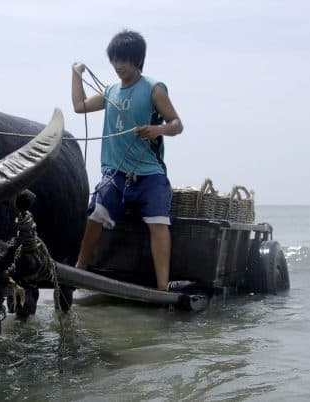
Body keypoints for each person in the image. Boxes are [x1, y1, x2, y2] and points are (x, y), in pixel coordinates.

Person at [71, 29, 188, 292]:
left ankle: (161, 288)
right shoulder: (110, 92)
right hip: (115, 173)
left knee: (158, 222)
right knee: (96, 213)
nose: (119, 66)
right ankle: (79, 270)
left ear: (137, 60)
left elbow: (177, 124)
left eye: (125, 60)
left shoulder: (153, 89)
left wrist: (157, 130)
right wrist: (75, 74)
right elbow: (79, 106)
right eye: (115, 60)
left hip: (149, 172)